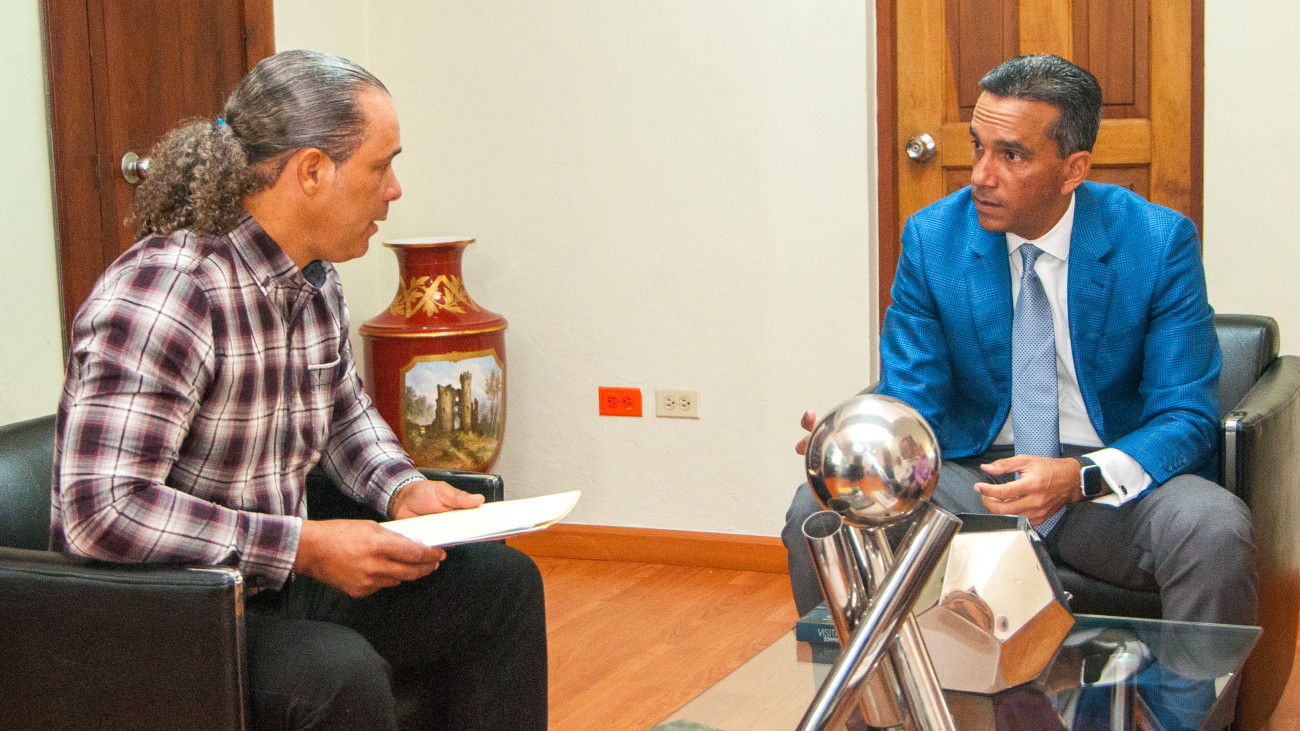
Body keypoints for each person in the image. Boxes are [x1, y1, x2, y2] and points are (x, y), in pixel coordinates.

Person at [50, 49, 546, 730]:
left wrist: (403, 489)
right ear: (311, 171)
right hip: (162, 619)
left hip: (274, 585)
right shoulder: (170, 292)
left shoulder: (313, 280)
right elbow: (103, 510)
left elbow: (344, 415)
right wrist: (304, 546)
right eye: (381, 166)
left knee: (503, 588)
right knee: (336, 673)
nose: (395, 190)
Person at [782, 54, 1256, 627]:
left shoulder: (1156, 242)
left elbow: (1185, 416)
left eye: (1011, 155)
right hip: (975, 481)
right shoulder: (934, 239)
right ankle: (864, 685)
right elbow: (913, 394)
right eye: (978, 147)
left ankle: (1190, 690)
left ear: (1073, 169)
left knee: (1213, 527)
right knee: (823, 507)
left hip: (1107, 488)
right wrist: (864, 441)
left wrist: (1079, 478)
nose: (981, 175)